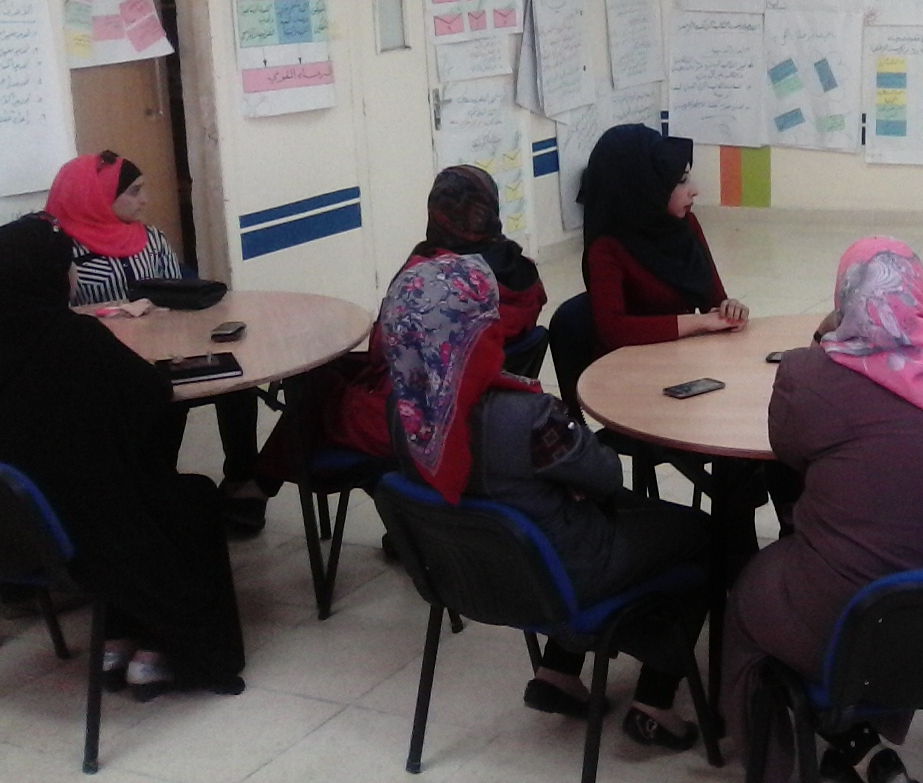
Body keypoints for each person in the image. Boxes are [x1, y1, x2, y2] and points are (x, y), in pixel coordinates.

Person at [722, 237, 923, 783]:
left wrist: (824, 339)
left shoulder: (810, 374)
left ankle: (773, 762)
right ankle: (861, 733)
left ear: (844, 298)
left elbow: (788, 452)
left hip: (872, 626)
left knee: (748, 592)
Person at [381, 254, 711, 752]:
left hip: (473, 573)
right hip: (565, 573)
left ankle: (558, 672)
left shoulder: (404, 410)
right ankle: (655, 703)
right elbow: (606, 476)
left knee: (570, 520)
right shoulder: (529, 416)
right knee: (700, 535)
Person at [0, 215, 245, 700]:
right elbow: (151, 393)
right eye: (67, 265)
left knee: (131, 490)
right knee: (189, 498)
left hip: (20, 535)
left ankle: (116, 640)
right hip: (86, 532)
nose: (74, 274)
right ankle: (166, 648)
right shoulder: (72, 339)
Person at [44, 151, 267, 536]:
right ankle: (156, 490)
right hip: (106, 367)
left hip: (167, 352)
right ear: (95, 196)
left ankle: (241, 483)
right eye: (133, 192)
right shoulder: (62, 251)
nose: (144, 200)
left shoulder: (150, 238)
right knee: (159, 397)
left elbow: (182, 288)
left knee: (237, 382)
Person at [312, 165, 546, 461]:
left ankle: (264, 479)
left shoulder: (427, 280)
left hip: (415, 419)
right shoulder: (523, 271)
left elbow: (383, 351)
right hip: (479, 409)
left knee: (314, 392)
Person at [552, 123, 749, 416]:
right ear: (646, 187)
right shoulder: (608, 247)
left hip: (681, 364)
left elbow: (714, 300)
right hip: (631, 378)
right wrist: (700, 323)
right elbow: (613, 331)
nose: (694, 190)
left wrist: (729, 309)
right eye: (680, 182)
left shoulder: (683, 226)